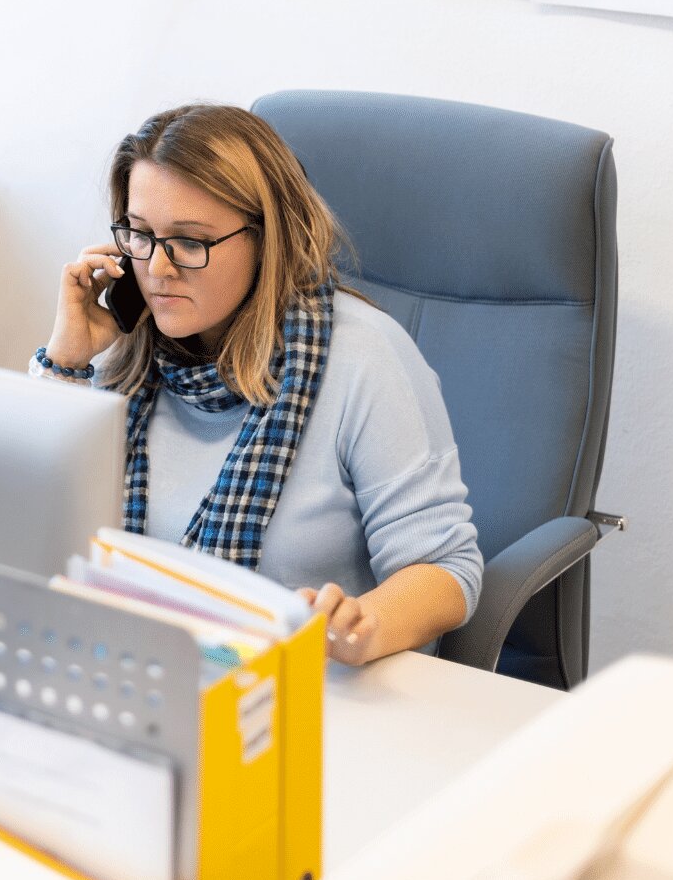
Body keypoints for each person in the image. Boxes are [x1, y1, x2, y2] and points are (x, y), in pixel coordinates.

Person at [31, 104, 482, 665]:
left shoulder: (365, 356)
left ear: (267, 239)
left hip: (306, 690)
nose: (158, 269)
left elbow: (446, 570)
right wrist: (65, 361)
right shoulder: (124, 347)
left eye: (190, 241)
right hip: (136, 672)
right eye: (140, 235)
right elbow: (32, 529)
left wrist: (366, 626)